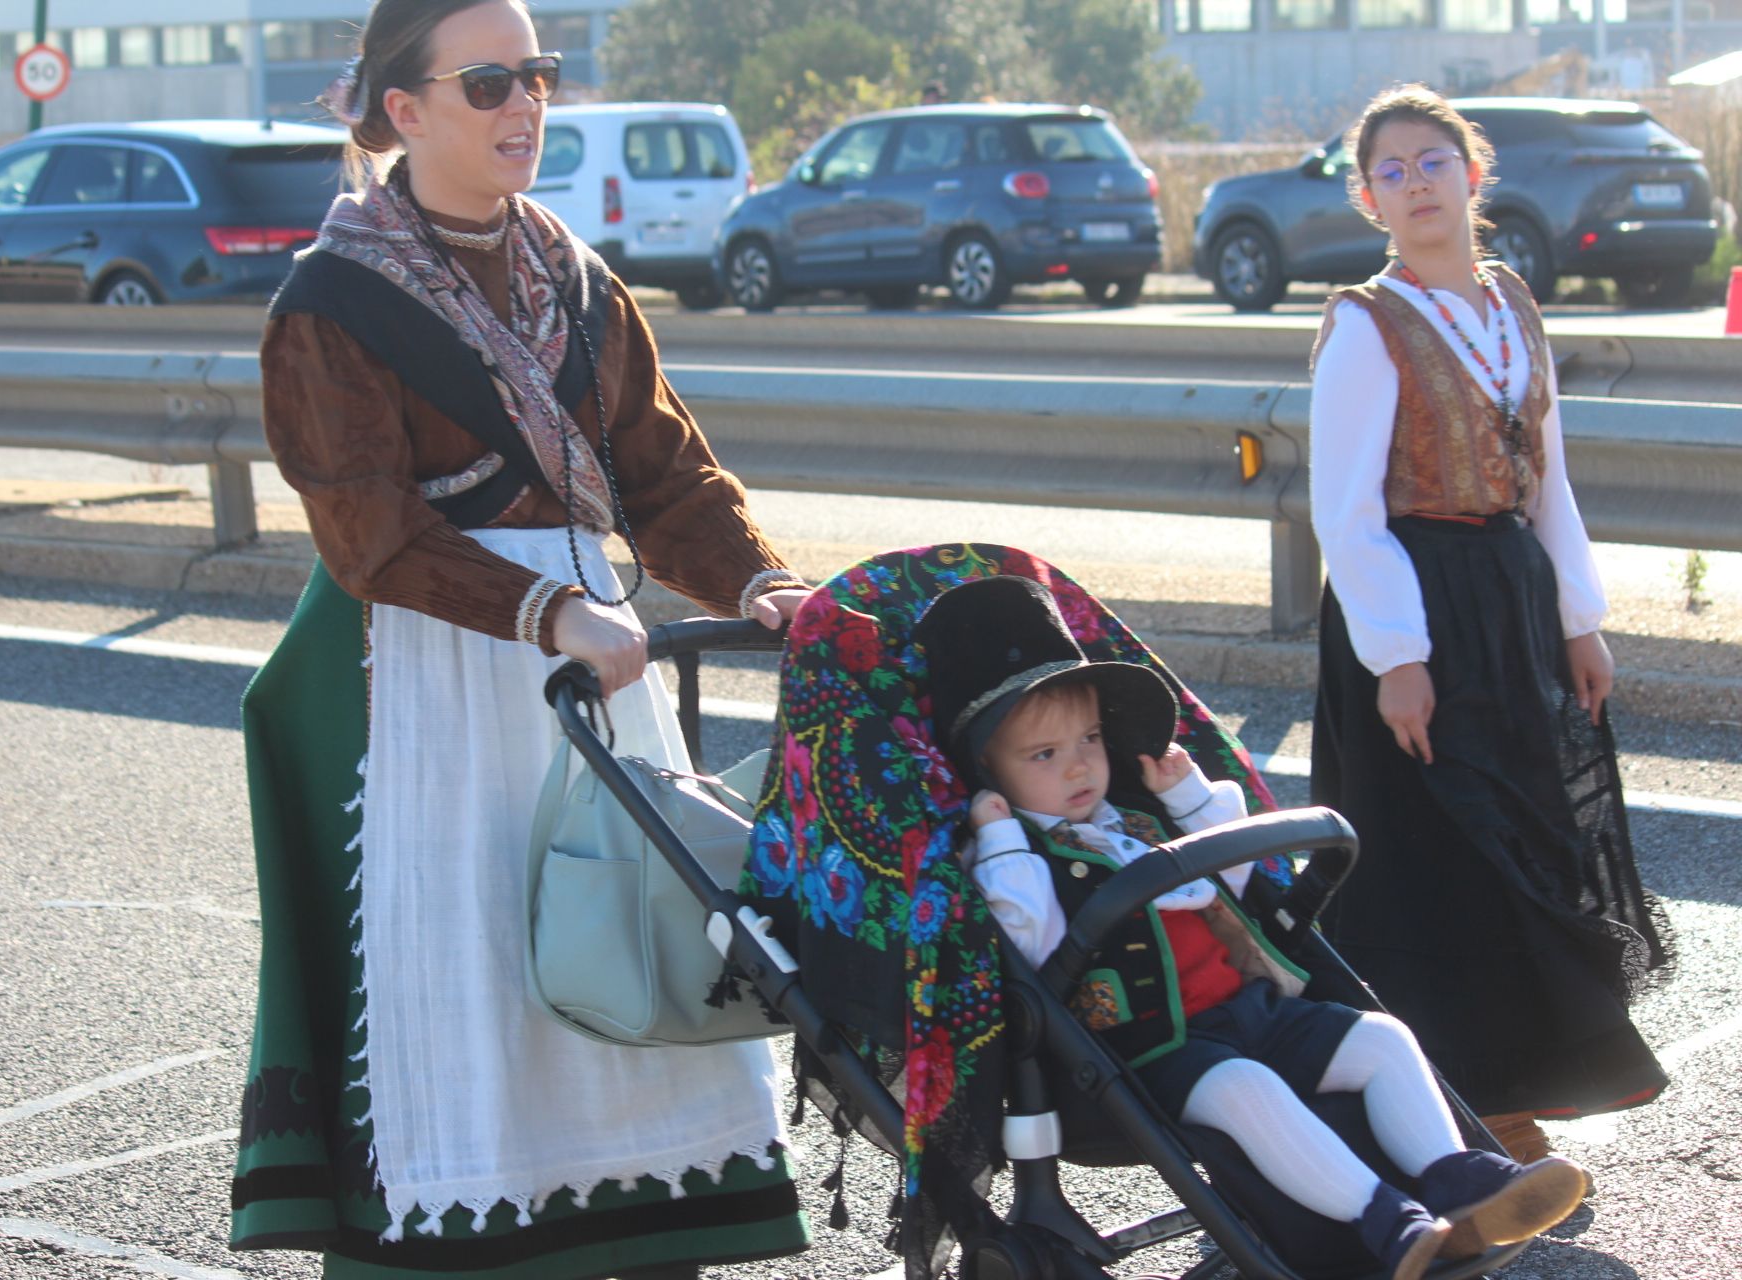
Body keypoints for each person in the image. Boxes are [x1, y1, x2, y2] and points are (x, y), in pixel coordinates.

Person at [228, 2, 814, 1277]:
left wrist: (761, 582)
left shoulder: (575, 273)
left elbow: (658, 473)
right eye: (489, 81)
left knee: (627, 927)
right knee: (479, 960)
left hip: (591, 653)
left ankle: (647, 1233)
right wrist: (546, 610)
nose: (524, 105)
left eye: (537, 76)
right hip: (432, 669)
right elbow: (366, 529)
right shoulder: (331, 299)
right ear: (405, 110)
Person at [915, 575, 1590, 1280]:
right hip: (1155, 1053)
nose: (1081, 764)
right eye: (1044, 755)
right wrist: (1000, 843)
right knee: (1250, 1093)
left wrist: (1190, 797)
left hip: (1253, 1009)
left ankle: (1459, 1178)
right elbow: (1033, 942)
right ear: (987, 774)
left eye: (1088, 738)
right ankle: (1392, 1221)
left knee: (1383, 1039)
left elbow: (1235, 882)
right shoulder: (1015, 856)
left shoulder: (1138, 821)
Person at [1308, 84, 1671, 1165]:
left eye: (1433, 161)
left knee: (1527, 838)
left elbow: (1547, 480)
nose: (1416, 184)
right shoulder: (1367, 325)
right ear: (1371, 200)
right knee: (1435, 854)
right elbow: (1346, 508)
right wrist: (1398, 657)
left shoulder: (1511, 300)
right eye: (1392, 172)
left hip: (1507, 594)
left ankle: (1527, 1071)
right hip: (1413, 602)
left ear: (1475, 170)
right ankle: (1457, 1099)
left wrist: (1578, 619)